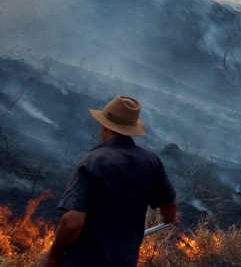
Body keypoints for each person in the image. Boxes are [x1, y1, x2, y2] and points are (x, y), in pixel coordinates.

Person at [39, 96, 180, 267]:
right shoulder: (151, 161)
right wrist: (170, 218)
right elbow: (169, 203)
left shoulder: (92, 162)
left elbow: (72, 221)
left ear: (105, 127)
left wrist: (54, 255)